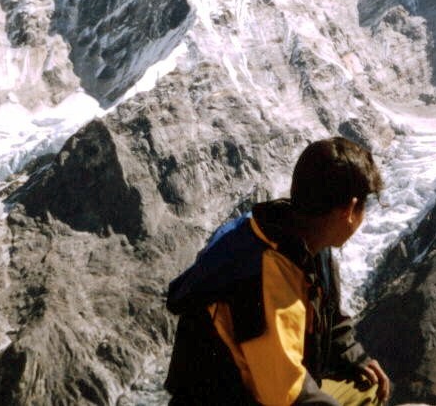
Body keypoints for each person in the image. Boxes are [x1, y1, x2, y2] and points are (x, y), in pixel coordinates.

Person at [165, 137, 391, 405]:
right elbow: (286, 395)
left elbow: (329, 315)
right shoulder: (263, 273)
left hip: (258, 392)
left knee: (368, 386)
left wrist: (355, 355)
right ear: (350, 210)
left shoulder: (305, 239)